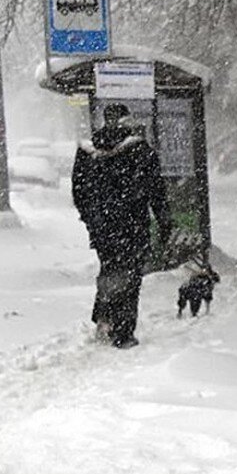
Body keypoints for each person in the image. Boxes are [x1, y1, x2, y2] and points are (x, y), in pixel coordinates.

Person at [72, 103, 171, 349]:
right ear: (127, 120)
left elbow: (78, 190)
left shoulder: (87, 151)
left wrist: (91, 219)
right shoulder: (140, 150)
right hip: (133, 225)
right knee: (131, 276)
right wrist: (164, 221)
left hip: (103, 227)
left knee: (109, 268)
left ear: (105, 120)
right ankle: (123, 332)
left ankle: (104, 318)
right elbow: (156, 190)